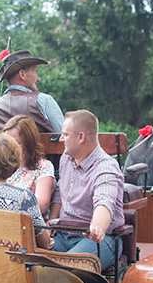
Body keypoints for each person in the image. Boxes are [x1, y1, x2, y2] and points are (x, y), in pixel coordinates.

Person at [48, 110, 124, 270]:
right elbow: (60, 193)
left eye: (65, 134)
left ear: (81, 137)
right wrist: (50, 225)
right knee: (30, 264)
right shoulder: (66, 158)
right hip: (62, 235)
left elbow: (105, 201)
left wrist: (96, 228)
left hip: (100, 240)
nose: (61, 139)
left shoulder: (105, 167)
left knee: (66, 269)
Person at [0, 50, 63, 134]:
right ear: (22, 74)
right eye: (35, 72)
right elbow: (65, 138)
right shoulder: (43, 100)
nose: (38, 78)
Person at [3, 115, 55, 217]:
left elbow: (41, 204)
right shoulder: (4, 165)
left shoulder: (43, 167)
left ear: (29, 143)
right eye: (6, 143)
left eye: (16, 143)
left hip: (27, 224)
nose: (10, 148)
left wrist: (4, 206)